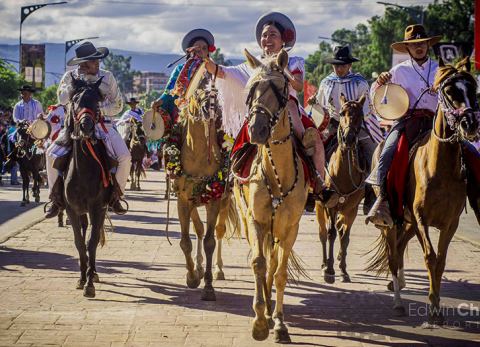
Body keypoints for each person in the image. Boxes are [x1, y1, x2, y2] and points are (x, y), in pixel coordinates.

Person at [202, 12, 335, 205]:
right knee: (239, 144)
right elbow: (223, 72)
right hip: (261, 111)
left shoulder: (294, 61)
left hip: (288, 109)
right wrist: (204, 58)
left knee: (314, 140)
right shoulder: (252, 66)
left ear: (283, 40)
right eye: (264, 35)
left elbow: (297, 86)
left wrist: (280, 68)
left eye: (273, 34)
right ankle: (233, 179)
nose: (267, 39)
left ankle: (319, 184)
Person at [365, 24, 442, 227]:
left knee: (467, 152)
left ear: (427, 45)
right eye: (414, 44)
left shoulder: (440, 69)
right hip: (408, 121)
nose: (419, 47)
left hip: (436, 122)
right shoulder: (398, 71)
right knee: (387, 152)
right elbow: (376, 95)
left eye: (422, 43)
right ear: (407, 48)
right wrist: (380, 83)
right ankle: (382, 201)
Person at [44, 41, 131, 218]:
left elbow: (118, 105)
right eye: (88, 62)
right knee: (50, 154)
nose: (93, 64)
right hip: (73, 127)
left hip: (103, 126)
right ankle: (55, 198)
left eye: (94, 61)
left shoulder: (108, 77)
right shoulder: (70, 77)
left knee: (125, 157)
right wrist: (74, 85)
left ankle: (116, 196)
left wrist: (101, 110)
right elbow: (61, 99)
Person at [308, 45, 381, 212]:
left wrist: (355, 117)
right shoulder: (326, 82)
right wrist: (313, 101)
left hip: (356, 123)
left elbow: (368, 107)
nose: (339, 68)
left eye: (343, 65)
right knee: (313, 150)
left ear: (349, 65)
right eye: (336, 65)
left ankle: (370, 193)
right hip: (333, 123)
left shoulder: (360, 82)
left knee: (372, 151)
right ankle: (313, 190)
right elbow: (320, 104)